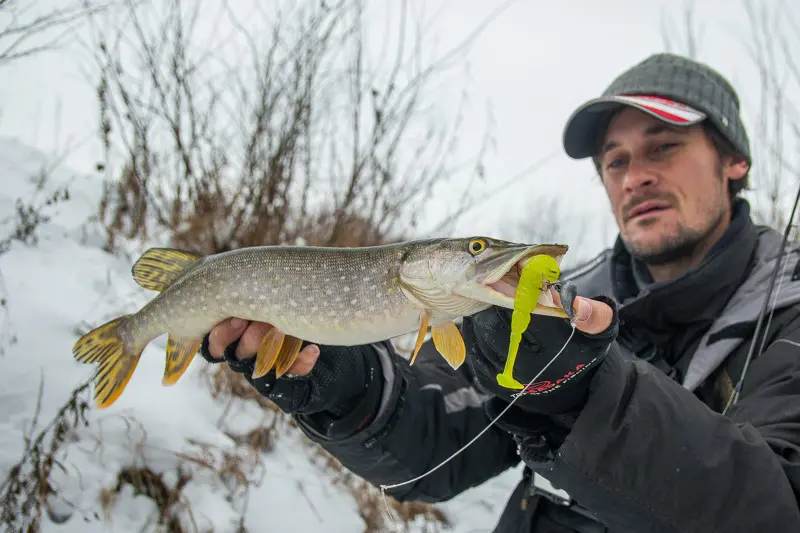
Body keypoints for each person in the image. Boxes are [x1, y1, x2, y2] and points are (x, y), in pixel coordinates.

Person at [198, 53, 800, 532]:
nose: (634, 176)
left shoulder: (789, 311)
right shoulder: (563, 298)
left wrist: (579, 395)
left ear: (734, 161)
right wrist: (341, 382)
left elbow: (777, 507)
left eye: (663, 148)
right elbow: (436, 440)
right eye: (613, 162)